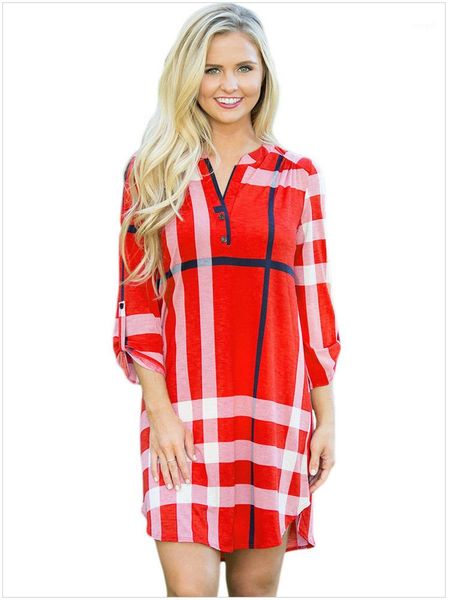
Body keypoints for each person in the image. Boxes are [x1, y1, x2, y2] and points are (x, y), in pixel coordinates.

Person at [112, 2, 341, 596]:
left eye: (243, 68)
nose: (228, 84)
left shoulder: (297, 176)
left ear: (264, 74)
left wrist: (326, 419)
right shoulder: (151, 173)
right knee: (188, 591)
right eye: (211, 70)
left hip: (275, 410)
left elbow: (313, 304)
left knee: (256, 593)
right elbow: (138, 302)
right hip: (183, 415)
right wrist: (161, 415)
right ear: (188, 76)